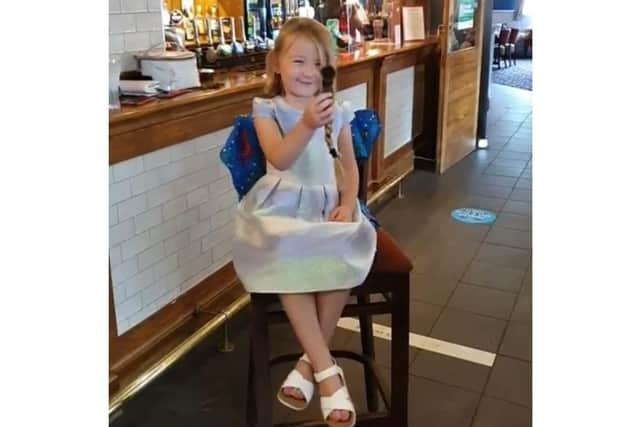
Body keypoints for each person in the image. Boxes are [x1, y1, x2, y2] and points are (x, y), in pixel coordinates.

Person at [232, 17, 376, 427]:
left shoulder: (338, 112)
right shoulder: (267, 109)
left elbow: (349, 169)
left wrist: (349, 204)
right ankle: (329, 373)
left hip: (326, 203)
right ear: (277, 63)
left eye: (318, 64)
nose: (308, 72)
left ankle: (309, 365)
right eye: (298, 61)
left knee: (342, 242)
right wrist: (308, 123)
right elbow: (279, 157)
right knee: (287, 251)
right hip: (280, 205)